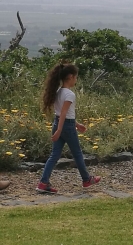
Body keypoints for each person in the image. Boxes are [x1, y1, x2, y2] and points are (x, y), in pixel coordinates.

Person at [36, 63, 101, 193]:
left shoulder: (58, 92)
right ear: (70, 77)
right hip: (65, 126)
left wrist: (76, 125)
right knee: (77, 153)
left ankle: (43, 183)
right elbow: (64, 114)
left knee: (54, 155)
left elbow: (61, 113)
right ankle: (86, 179)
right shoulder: (70, 94)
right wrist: (61, 130)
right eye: (76, 77)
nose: (76, 80)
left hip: (59, 123)